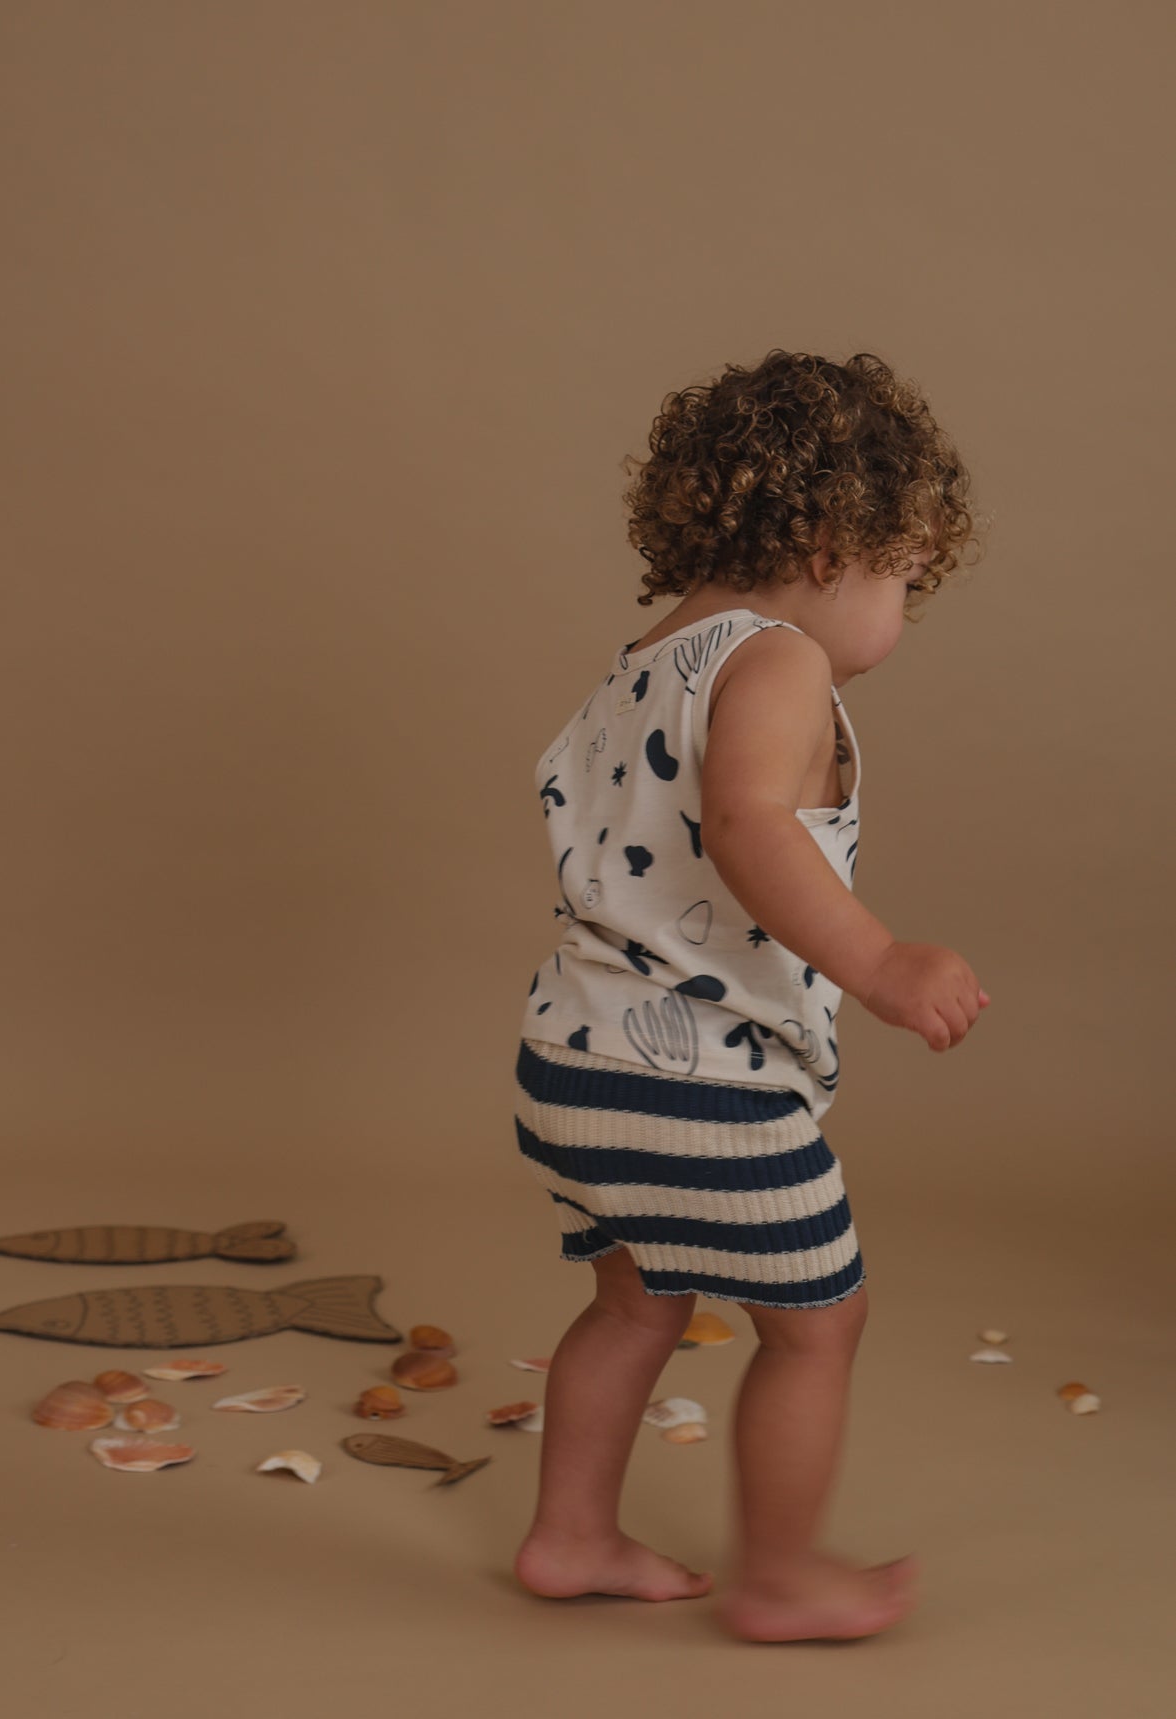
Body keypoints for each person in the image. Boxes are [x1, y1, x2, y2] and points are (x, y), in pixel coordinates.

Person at [510, 349, 992, 1643]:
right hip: (696, 1088)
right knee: (817, 1324)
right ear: (834, 546)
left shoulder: (638, 665)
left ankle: (567, 1536)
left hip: (570, 1059)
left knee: (633, 1302)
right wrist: (881, 964)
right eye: (903, 579)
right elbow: (742, 821)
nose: (899, 614)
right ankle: (778, 1575)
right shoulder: (777, 661)